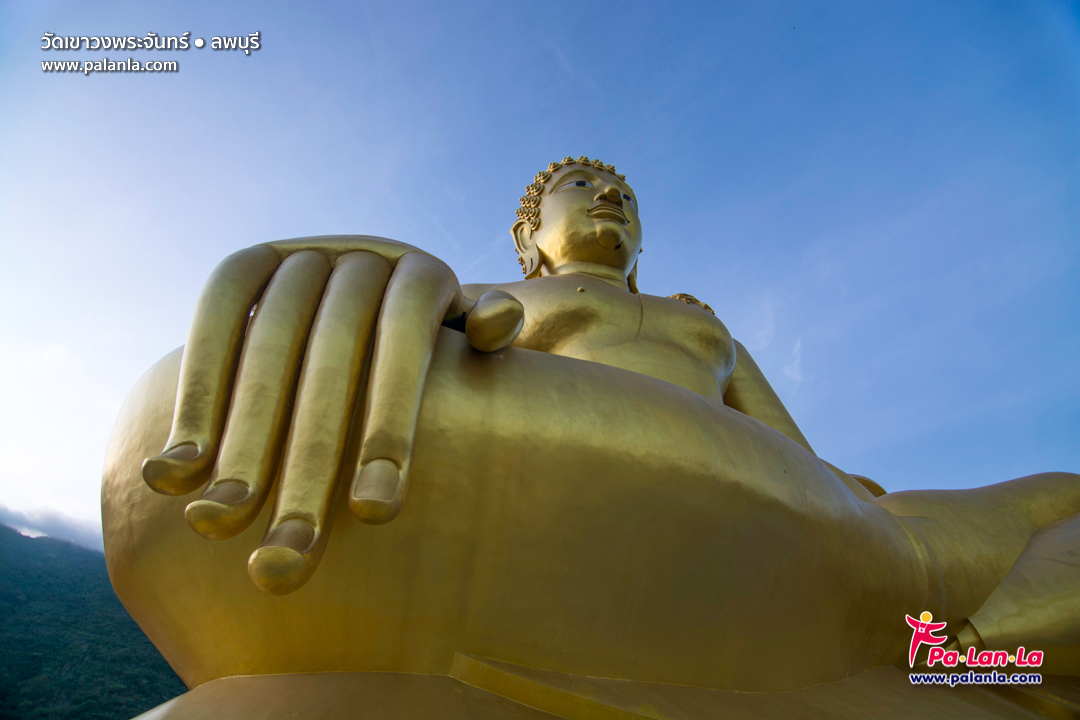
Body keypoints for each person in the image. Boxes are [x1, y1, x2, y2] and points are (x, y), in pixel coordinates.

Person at [105, 156, 1080, 697]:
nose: (611, 197)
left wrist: (869, 504)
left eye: (627, 197)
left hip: (804, 524)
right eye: (585, 191)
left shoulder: (706, 326)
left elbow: (802, 458)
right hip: (556, 466)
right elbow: (402, 340)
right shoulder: (484, 299)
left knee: (1061, 503)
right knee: (275, 389)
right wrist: (362, 294)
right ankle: (932, 650)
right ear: (533, 235)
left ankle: (959, 653)